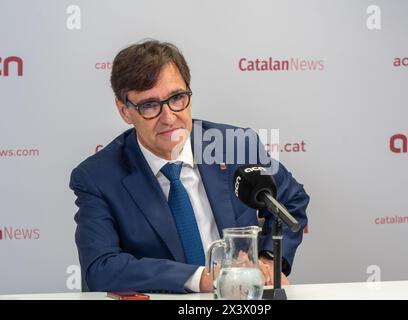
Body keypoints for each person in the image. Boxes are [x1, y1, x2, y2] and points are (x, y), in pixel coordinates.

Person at [69, 40, 309, 293]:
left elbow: (290, 200)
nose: (169, 117)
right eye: (150, 105)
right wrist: (199, 278)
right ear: (124, 111)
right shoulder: (97, 176)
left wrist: (268, 260)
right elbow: (101, 267)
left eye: (177, 98)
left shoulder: (235, 146)